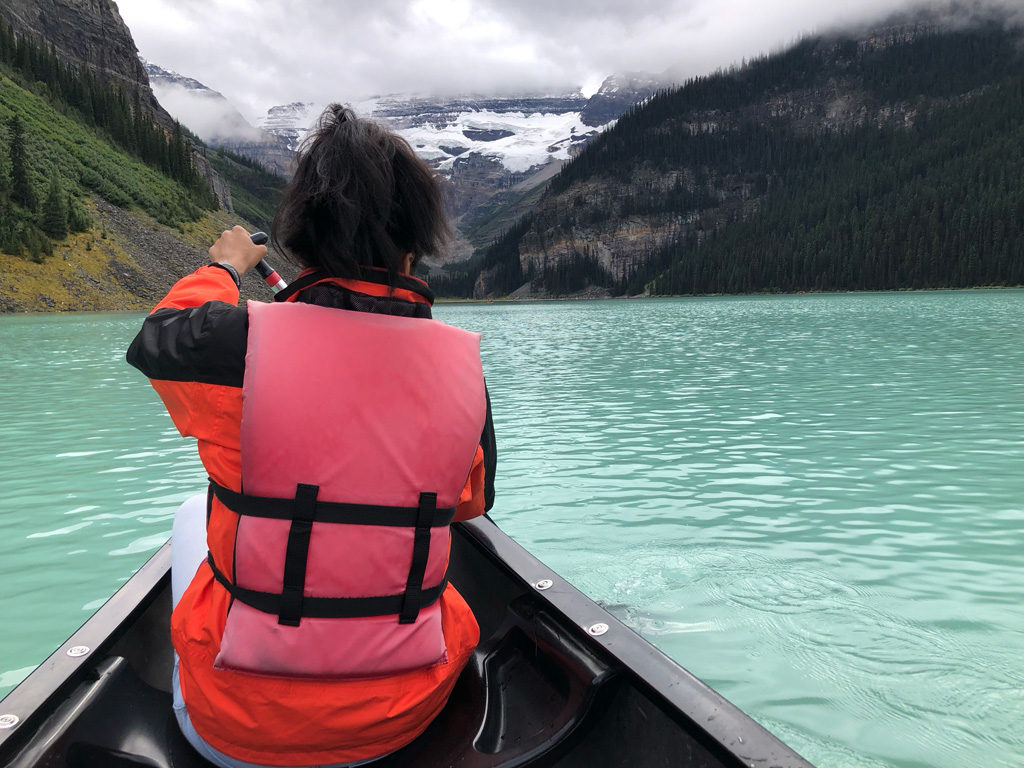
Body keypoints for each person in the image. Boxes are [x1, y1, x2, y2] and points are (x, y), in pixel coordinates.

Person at [127, 105, 496, 768]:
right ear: (414, 246)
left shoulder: (238, 345)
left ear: (305, 241)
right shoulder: (462, 369)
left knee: (194, 511)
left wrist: (226, 267)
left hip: (234, 733)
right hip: (405, 719)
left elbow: (158, 339)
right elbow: (470, 503)